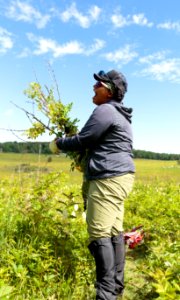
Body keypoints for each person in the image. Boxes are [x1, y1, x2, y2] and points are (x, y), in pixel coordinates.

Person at [49, 69, 135, 300]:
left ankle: (105, 294)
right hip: (121, 177)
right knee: (114, 231)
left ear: (108, 91)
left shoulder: (105, 110)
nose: (93, 87)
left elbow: (84, 139)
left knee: (98, 233)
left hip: (107, 177)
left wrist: (58, 145)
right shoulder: (119, 114)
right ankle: (115, 287)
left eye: (98, 84)